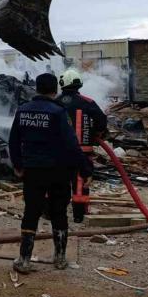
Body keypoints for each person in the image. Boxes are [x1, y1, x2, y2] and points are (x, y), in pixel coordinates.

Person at [8, 73, 92, 273]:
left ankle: (24, 260)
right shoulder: (58, 112)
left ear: (36, 88)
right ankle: (60, 258)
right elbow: (72, 144)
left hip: (33, 171)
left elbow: (13, 141)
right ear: (55, 90)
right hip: (59, 172)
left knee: (31, 212)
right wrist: (85, 168)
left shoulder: (23, 110)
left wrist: (18, 165)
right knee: (59, 213)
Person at [56, 68, 108, 223]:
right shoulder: (88, 102)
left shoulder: (55, 102)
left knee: (57, 181)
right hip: (83, 152)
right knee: (80, 183)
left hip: (59, 152)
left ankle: (53, 211)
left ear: (62, 83)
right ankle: (79, 216)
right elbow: (102, 121)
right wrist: (96, 134)